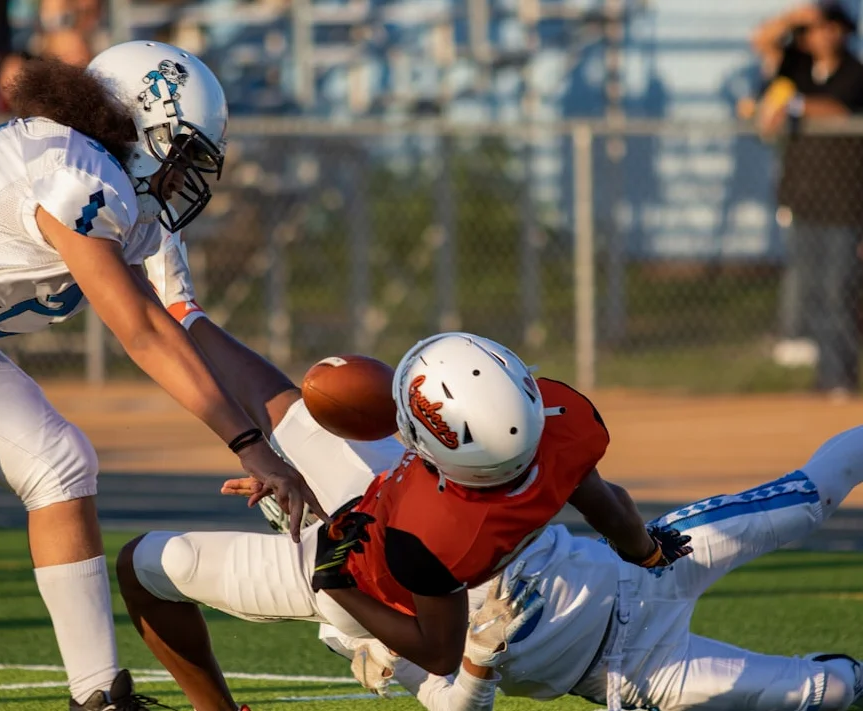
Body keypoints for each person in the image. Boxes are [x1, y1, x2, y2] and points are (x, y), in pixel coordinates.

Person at [0, 41, 324, 711]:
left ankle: (98, 696)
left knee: (61, 463)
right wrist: (249, 444)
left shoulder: (109, 189)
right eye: (181, 152)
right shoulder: (75, 169)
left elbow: (175, 326)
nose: (183, 176)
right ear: (139, 124)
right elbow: (141, 332)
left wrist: (285, 442)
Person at [113, 232, 692, 711]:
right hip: (388, 524)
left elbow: (439, 655)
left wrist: (331, 582)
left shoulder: (432, 534)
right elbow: (604, 502)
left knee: (144, 563)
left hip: (363, 574)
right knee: (290, 411)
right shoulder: (545, 437)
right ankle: (187, 313)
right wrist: (645, 552)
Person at [317, 424, 863, 711]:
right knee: (829, 691)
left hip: (643, 568)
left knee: (806, 500)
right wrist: (479, 662)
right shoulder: (355, 618)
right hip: (634, 672)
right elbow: (448, 705)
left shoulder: (420, 500)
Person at [751, 1, 863, 396]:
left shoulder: (854, 71)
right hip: (803, 197)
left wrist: (792, 104)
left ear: (845, 33)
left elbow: (837, 109)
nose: (824, 35)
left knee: (839, 291)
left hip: (845, 203)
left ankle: (842, 379)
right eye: (818, 28)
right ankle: (824, 378)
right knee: (813, 292)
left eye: (833, 27)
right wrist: (797, 17)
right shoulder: (797, 66)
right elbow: (762, 41)